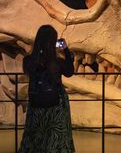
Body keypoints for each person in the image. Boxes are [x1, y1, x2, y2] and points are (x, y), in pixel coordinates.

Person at [19, 25, 75, 153]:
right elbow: (69, 72)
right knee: (56, 136)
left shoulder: (28, 61)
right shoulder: (57, 63)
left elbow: (30, 71)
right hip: (55, 105)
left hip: (36, 104)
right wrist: (65, 49)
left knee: (35, 136)